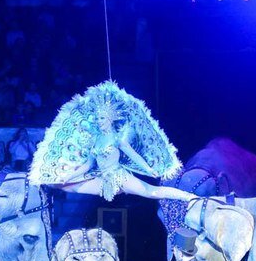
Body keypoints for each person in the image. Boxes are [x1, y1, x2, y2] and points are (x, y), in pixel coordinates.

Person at [29, 81, 194, 202]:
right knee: (62, 185)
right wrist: (67, 176)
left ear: (109, 118)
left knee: (152, 192)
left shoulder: (118, 139)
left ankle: (190, 198)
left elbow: (134, 156)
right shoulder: (96, 139)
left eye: (102, 118)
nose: (99, 121)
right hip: (102, 180)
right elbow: (88, 165)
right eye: (98, 118)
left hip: (120, 178)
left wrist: (149, 169)